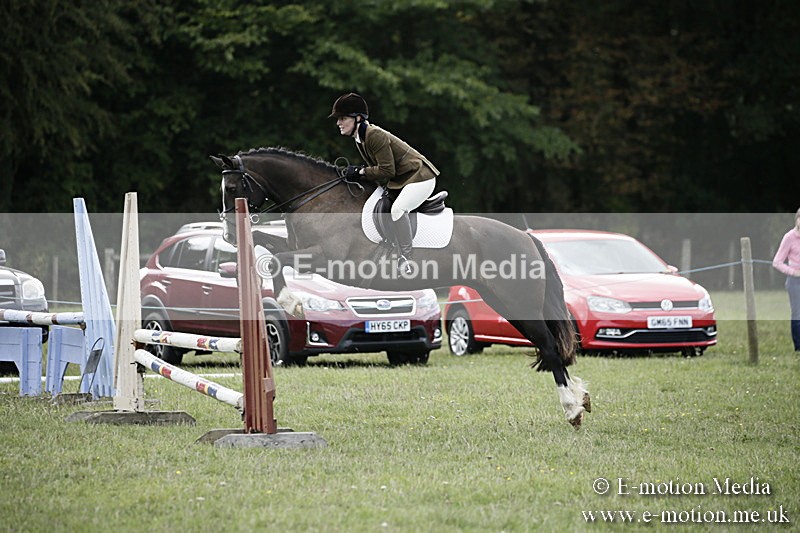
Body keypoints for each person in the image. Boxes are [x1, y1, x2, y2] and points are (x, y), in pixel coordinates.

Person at [329, 92, 439, 269]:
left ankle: (406, 259)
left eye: (342, 118)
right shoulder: (360, 138)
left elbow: (387, 170)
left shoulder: (374, 134)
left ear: (357, 118)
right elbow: (379, 171)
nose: (338, 123)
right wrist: (357, 175)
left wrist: (360, 171)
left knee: (397, 210)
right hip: (402, 180)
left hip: (420, 177)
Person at [772, 207, 800, 351]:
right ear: (797, 219)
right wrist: (793, 272)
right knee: (797, 313)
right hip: (795, 282)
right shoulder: (789, 237)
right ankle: (798, 346)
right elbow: (777, 262)